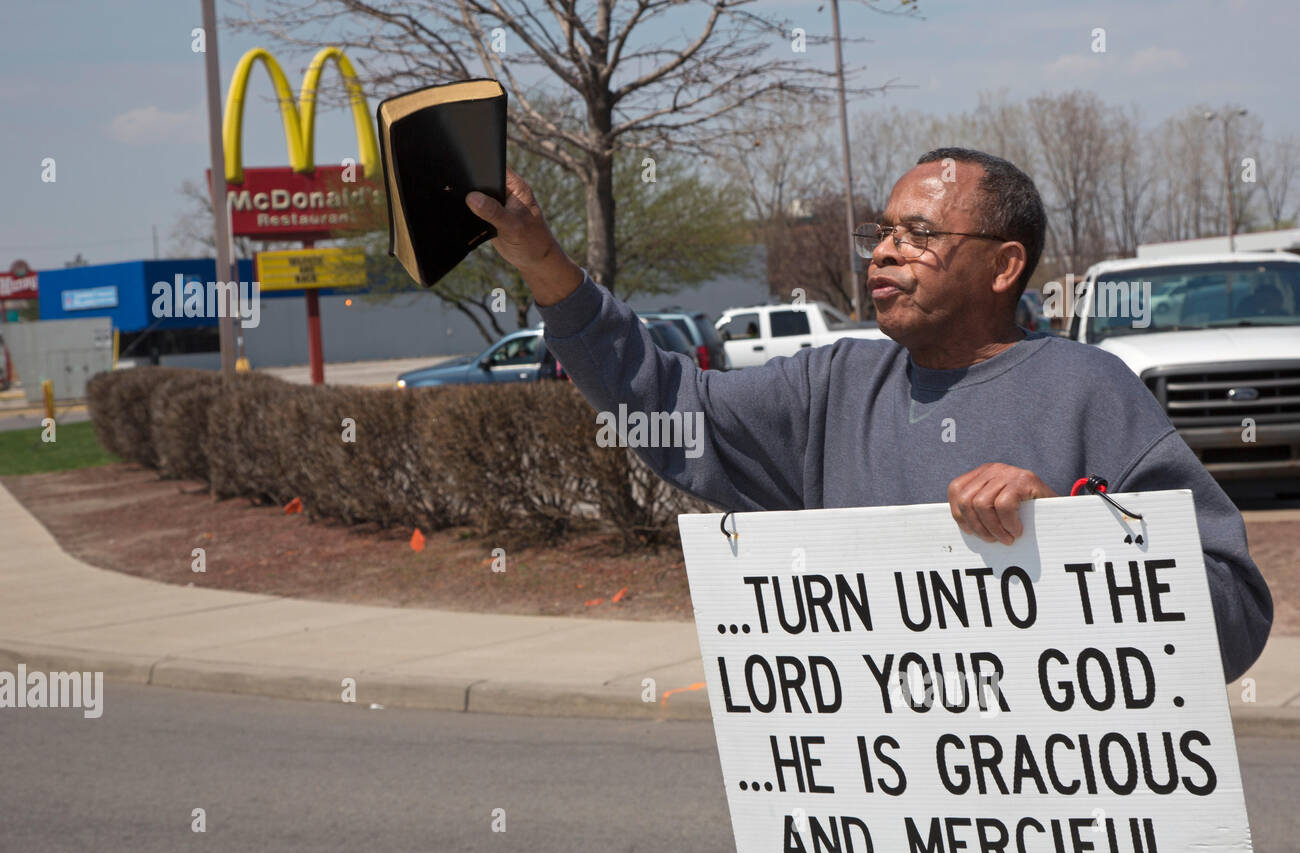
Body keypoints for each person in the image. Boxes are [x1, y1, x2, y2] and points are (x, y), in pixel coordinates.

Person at [465, 147, 1272, 682]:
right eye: (880, 233)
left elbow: (1233, 618)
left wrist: (1071, 532)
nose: (882, 252)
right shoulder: (831, 388)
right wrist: (542, 260)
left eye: (918, 235)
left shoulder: (1090, 391)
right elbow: (660, 405)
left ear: (1005, 266)